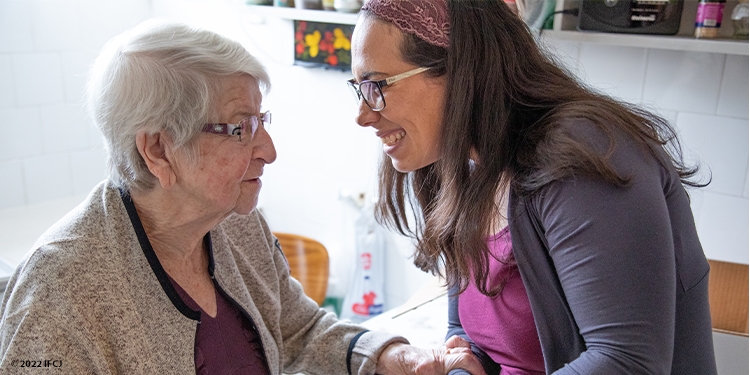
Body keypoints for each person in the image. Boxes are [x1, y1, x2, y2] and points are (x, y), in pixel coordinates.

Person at [0, 19, 485, 375]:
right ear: (158, 150)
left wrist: (388, 355)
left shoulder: (234, 219)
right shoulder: (59, 291)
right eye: (239, 129)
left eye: (262, 122)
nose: (268, 152)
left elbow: (296, 330)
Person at [347, 0, 717, 374]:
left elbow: (627, 362)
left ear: (460, 69)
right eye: (358, 88)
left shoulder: (583, 156)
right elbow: (467, 339)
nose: (362, 114)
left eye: (376, 85)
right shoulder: (463, 165)